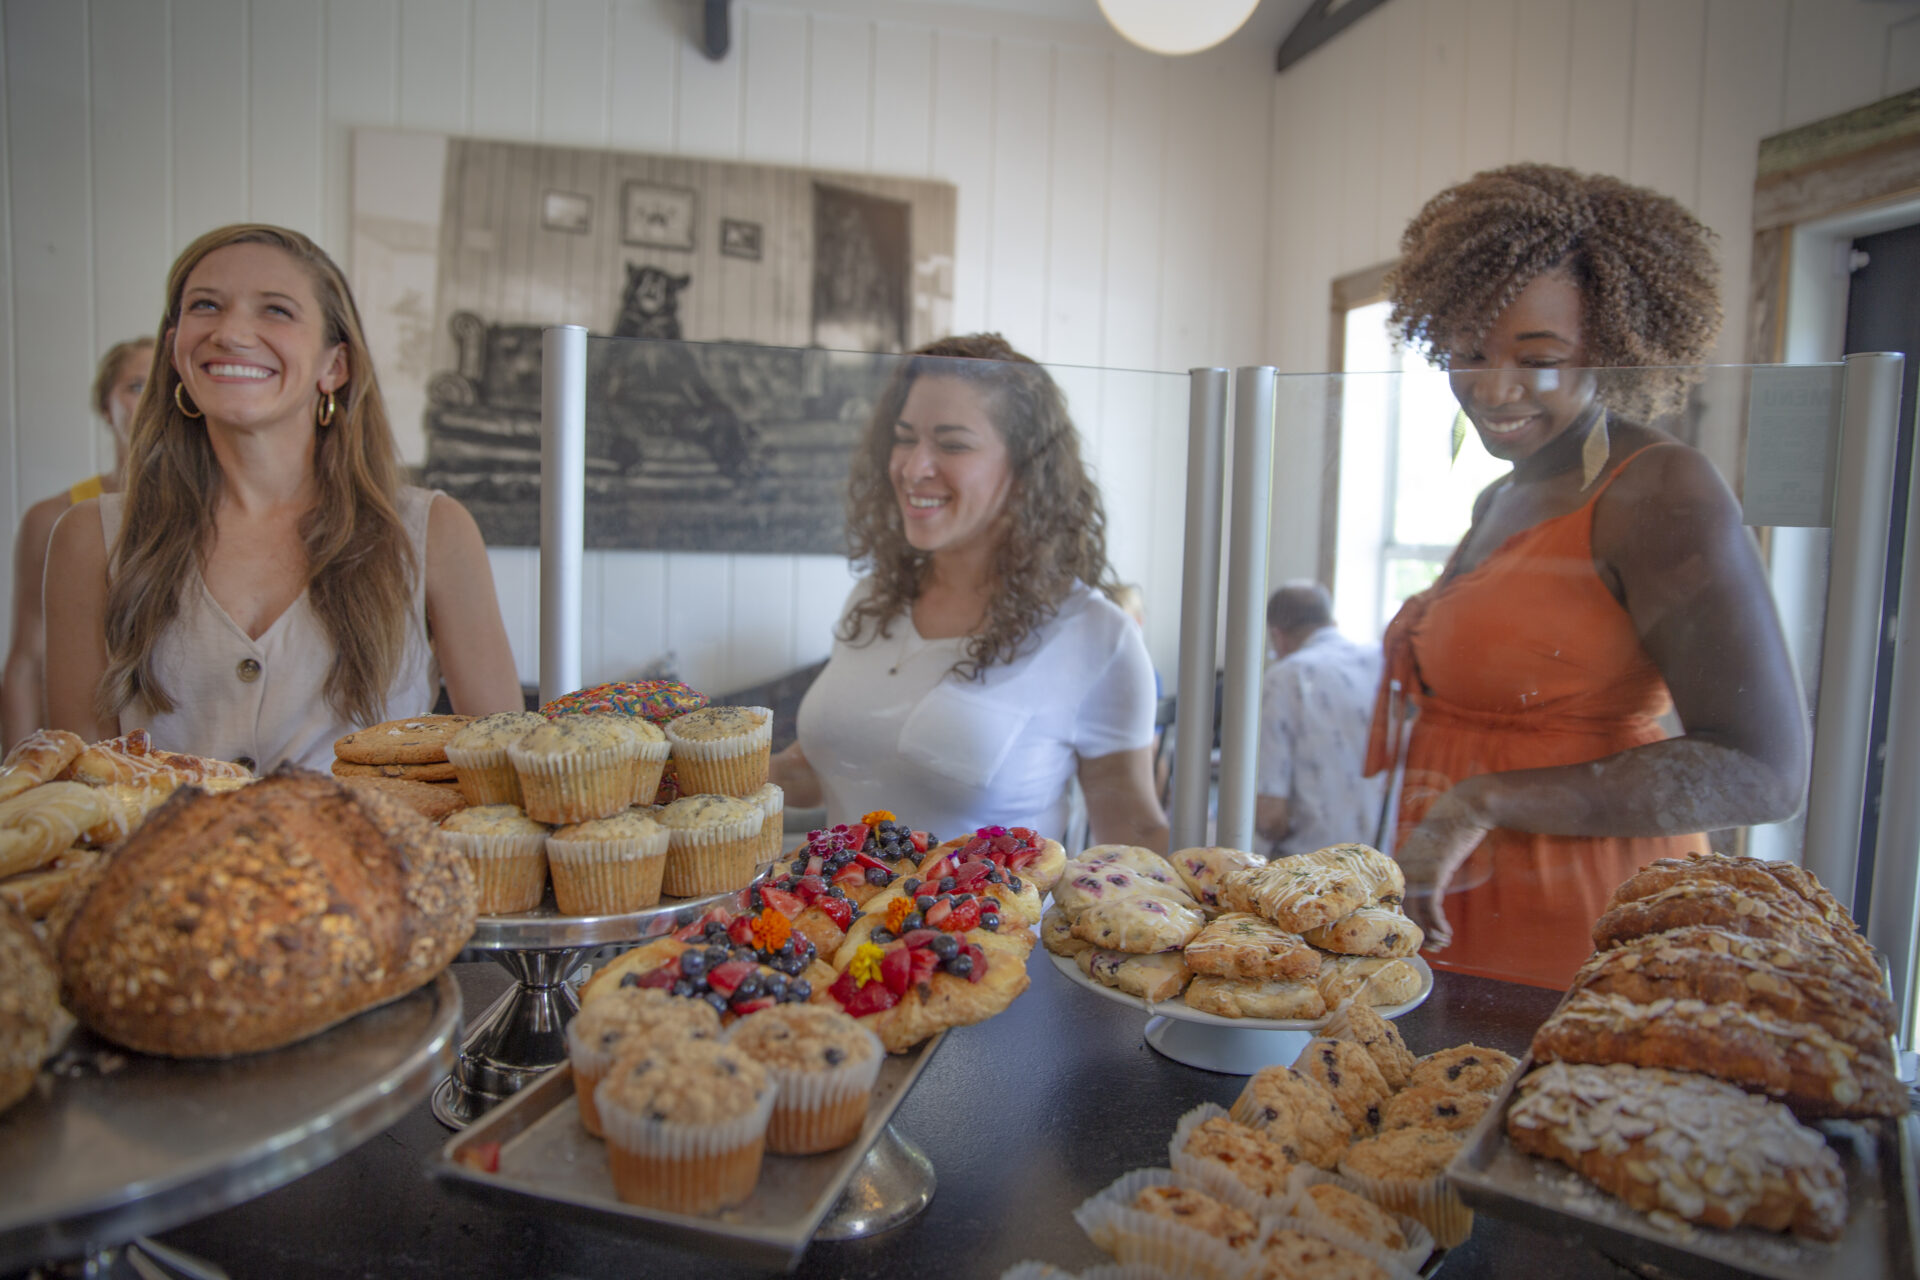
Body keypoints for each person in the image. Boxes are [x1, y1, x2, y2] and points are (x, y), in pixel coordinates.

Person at [1364, 164, 1808, 988]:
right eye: (1468, 353)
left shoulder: (1661, 487)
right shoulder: (1506, 490)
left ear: (1610, 348)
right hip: (1461, 897)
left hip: (1582, 912)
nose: (1494, 389)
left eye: (1539, 358)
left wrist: (1481, 801)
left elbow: (1764, 770)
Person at [44, 224, 524, 771]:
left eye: (275, 310)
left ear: (334, 366)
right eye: (205, 305)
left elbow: (503, 767)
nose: (231, 332)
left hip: (375, 857)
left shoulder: (433, 529)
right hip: (156, 858)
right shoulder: (88, 538)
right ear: (176, 352)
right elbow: (81, 785)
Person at [774, 334, 1168, 850]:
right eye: (904, 437)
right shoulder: (873, 599)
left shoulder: (1097, 635)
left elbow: (1134, 837)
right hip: (842, 927)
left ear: (1027, 469)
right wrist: (679, 768)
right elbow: (828, 765)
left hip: (987, 930)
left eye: (952, 443)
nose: (914, 467)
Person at [3, 339, 152, 750]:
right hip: (86, 753)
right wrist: (16, 785)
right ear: (106, 405)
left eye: (162, 384)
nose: (151, 398)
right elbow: (26, 664)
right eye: (136, 386)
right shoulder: (53, 518)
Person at [1254, 581, 1384, 858]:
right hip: (1385, 863)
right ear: (1332, 622)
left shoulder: (1286, 677)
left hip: (1314, 869)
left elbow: (1269, 814)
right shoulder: (1380, 660)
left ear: (1278, 636)